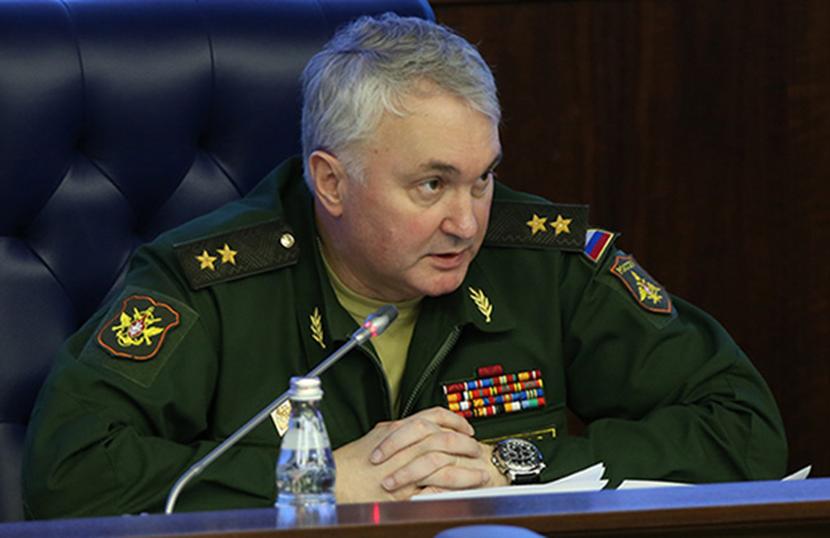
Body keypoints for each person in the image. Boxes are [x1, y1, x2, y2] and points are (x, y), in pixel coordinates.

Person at [22, 13, 787, 519]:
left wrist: (511, 464)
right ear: (331, 182)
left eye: (482, 178)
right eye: (431, 185)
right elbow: (69, 473)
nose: (467, 221)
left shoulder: (539, 261)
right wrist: (319, 484)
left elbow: (743, 425)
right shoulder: (209, 281)